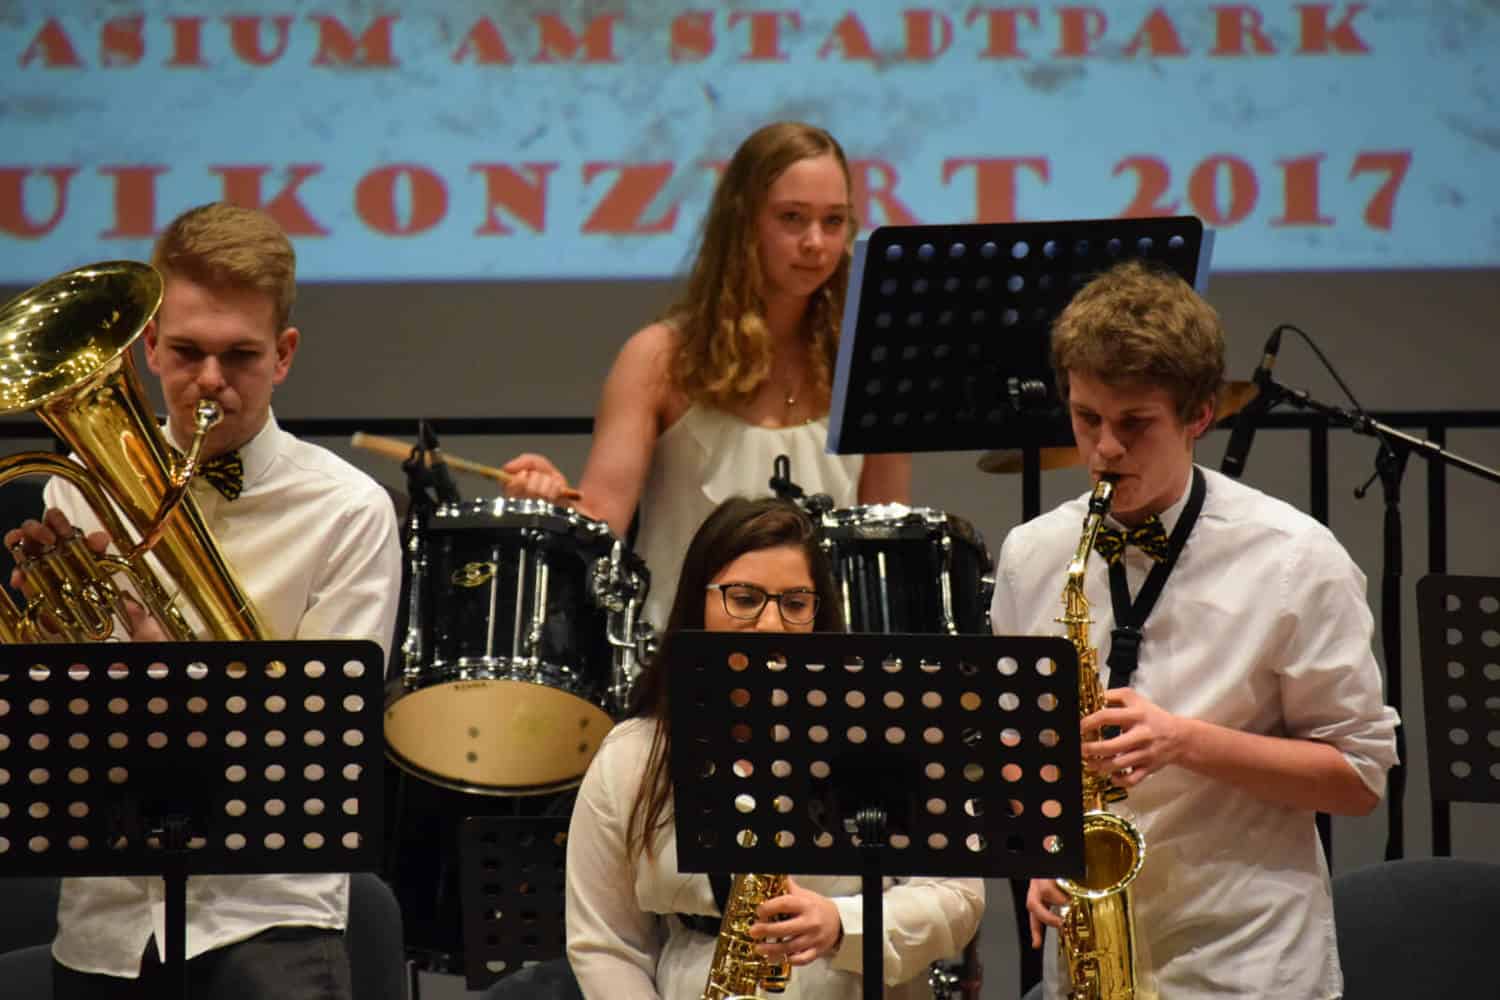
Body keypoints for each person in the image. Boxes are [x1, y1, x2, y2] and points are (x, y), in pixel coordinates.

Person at [5, 202, 403, 999]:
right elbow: (58, 721)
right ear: (148, 345)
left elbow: (323, 735)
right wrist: (43, 646)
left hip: (268, 918)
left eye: (241, 356)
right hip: (106, 922)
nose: (211, 381)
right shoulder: (76, 492)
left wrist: (176, 677)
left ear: (283, 356)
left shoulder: (349, 511)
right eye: (187, 352)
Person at [989, 260, 1400, 998]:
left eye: (1134, 424)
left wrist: (1183, 741)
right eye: (1087, 418)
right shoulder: (1033, 555)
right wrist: (1043, 850)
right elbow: (1021, 752)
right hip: (1093, 958)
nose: (1104, 450)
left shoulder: (1295, 559)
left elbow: (1360, 778)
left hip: (1248, 962)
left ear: (1200, 416)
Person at [564, 496, 983, 999]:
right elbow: (606, 944)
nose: (770, 625)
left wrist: (843, 924)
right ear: (698, 601)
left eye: (795, 604)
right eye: (744, 599)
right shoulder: (633, 755)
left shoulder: (882, 728)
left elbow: (959, 895)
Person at [504, 121, 911, 626]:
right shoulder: (660, 357)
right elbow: (601, 527)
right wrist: (546, 499)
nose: (815, 242)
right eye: (792, 217)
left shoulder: (866, 361)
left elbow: (884, 540)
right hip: (678, 653)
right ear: (743, 222)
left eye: (834, 221)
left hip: (817, 660)